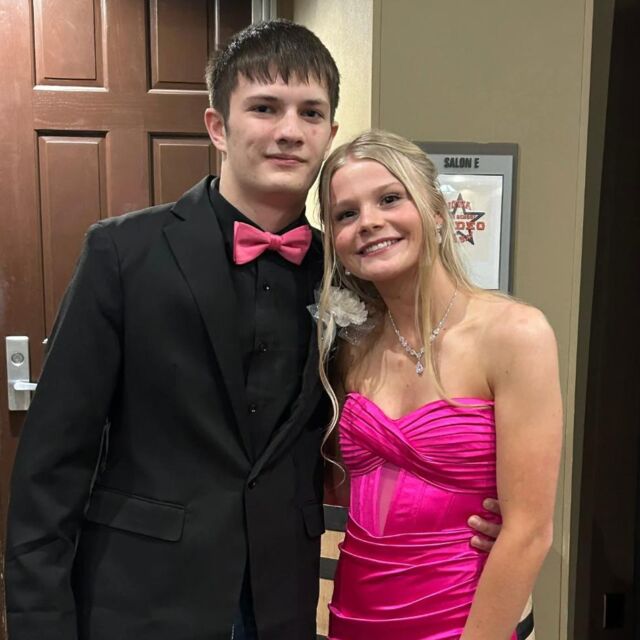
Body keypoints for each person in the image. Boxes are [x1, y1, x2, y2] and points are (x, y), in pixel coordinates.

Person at [4, 21, 501, 640]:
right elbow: (51, 466)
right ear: (218, 126)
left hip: (283, 600)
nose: (289, 130)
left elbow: (389, 420)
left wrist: (466, 509)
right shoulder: (123, 254)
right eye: (265, 108)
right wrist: (40, 624)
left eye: (310, 112)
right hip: (140, 600)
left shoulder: (348, 274)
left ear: (329, 133)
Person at [315, 129, 562, 640]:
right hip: (356, 609)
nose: (369, 222)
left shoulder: (516, 334)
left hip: (462, 615)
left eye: (389, 198)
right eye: (346, 214)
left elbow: (529, 531)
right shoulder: (347, 349)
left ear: (436, 209)